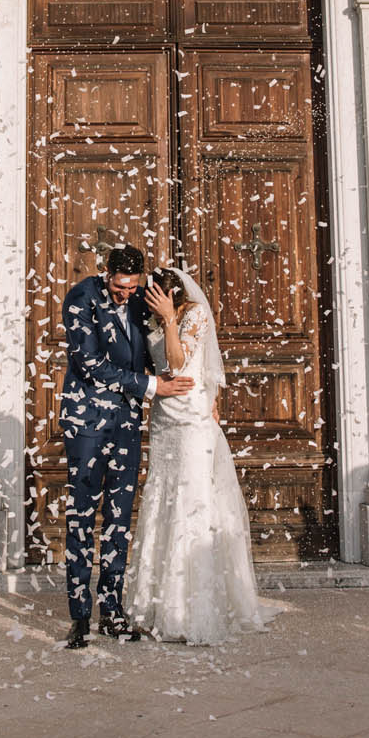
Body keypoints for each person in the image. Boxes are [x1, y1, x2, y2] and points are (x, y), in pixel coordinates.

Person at [57, 246, 193, 649]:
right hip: (86, 424)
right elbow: (89, 363)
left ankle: (112, 612)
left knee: (119, 519)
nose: (125, 294)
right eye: (119, 287)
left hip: (127, 425)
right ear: (106, 273)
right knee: (81, 515)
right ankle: (80, 617)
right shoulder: (81, 298)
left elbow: (160, 344)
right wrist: (154, 387)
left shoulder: (138, 299)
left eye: (132, 287)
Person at [128, 267, 272, 644]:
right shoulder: (150, 319)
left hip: (192, 422)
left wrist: (171, 318)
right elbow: (156, 369)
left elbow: (180, 362)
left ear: (173, 294)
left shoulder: (193, 315)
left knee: (192, 505)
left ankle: (190, 610)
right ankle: (156, 604)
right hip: (164, 421)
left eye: (157, 295)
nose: (151, 301)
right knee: (163, 499)